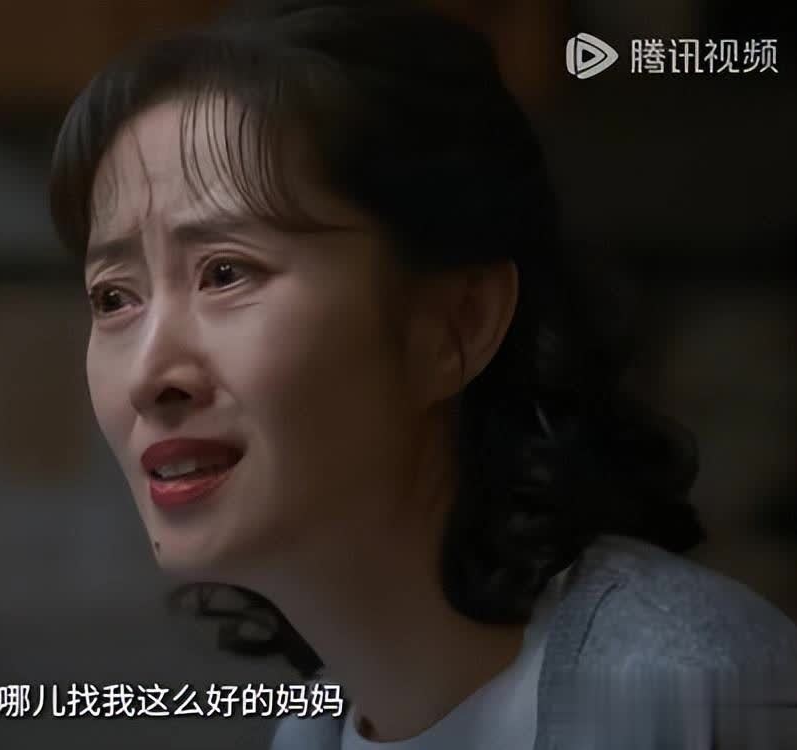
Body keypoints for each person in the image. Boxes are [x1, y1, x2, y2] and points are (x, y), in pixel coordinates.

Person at [48, 1, 797, 747]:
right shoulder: (314, 730)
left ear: (456, 324)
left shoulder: (685, 689)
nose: (149, 374)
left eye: (225, 273)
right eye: (114, 298)